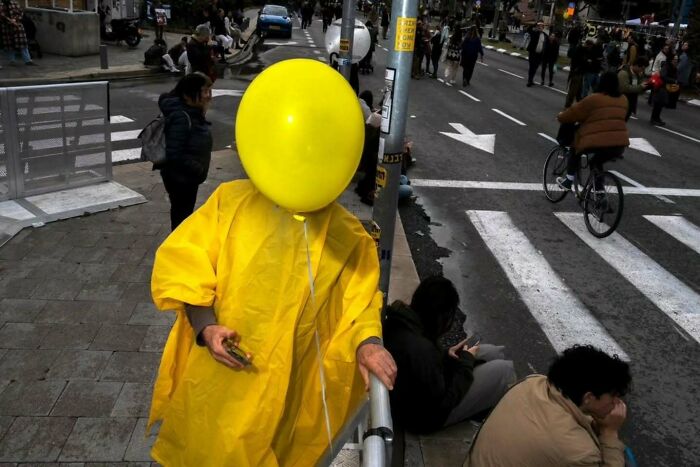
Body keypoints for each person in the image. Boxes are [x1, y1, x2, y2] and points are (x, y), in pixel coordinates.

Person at [148, 72, 397, 466]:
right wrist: (206, 327)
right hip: (222, 386)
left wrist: (368, 343)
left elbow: (361, 303)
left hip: (291, 397)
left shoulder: (348, 237)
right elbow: (186, 267)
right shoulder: (229, 204)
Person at [383, 276, 515, 434]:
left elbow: (423, 370)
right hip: (425, 419)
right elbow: (444, 401)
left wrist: (446, 355)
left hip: (415, 398)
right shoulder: (422, 350)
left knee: (492, 352)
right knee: (503, 370)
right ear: (440, 317)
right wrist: (465, 362)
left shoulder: (403, 322)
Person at [465, 345, 631, 467]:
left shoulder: (533, 382)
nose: (617, 403)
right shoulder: (579, 452)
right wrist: (609, 433)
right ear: (588, 397)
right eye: (614, 396)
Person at [157, 73, 213, 230]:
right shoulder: (182, 116)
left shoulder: (191, 111)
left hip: (186, 177)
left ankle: (178, 246)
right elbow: (174, 153)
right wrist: (196, 168)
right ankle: (177, 249)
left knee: (182, 214)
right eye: (204, 91)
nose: (208, 96)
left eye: (209, 91)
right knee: (182, 217)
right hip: (181, 178)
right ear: (188, 94)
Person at [556, 71, 629, 191]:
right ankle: (600, 193)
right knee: (596, 162)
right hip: (619, 144)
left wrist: (560, 116)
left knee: (575, 148)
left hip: (597, 142)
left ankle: (568, 181)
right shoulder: (623, 99)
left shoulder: (594, 98)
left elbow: (573, 113)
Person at [0, 0, 35, 65]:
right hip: (6, 27)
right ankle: (12, 60)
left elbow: (20, 13)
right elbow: (2, 16)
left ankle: (27, 60)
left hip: (17, 26)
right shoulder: (1, 4)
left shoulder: (14, 3)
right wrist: (7, 21)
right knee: (9, 45)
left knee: (23, 43)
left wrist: (15, 19)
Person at [618, 57, 649, 121]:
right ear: (637, 65)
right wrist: (640, 87)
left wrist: (645, 86)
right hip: (621, 102)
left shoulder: (637, 74)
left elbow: (638, 88)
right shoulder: (624, 73)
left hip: (630, 103)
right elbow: (625, 88)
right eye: (642, 69)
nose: (642, 71)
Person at [651, 54, 680, 124]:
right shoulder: (666, 66)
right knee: (658, 103)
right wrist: (673, 81)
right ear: (671, 59)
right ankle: (654, 118)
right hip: (661, 87)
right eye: (675, 59)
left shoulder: (674, 67)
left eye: (677, 59)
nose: (676, 61)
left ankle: (657, 118)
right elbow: (663, 76)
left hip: (666, 87)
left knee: (661, 103)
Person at [526, 21, 547, 87]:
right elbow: (528, 29)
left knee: (535, 67)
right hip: (533, 53)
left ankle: (531, 79)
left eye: (541, 27)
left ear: (543, 28)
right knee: (532, 67)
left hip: (540, 54)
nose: (540, 28)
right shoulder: (534, 33)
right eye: (539, 27)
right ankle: (529, 81)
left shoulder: (545, 35)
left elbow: (546, 44)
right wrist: (535, 24)